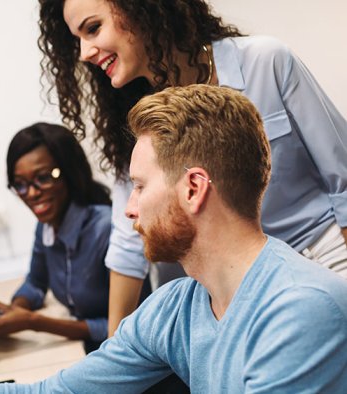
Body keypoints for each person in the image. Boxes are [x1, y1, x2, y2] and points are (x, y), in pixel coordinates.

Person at [0, 85, 347, 394]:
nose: (127, 207)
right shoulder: (178, 307)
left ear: (194, 189)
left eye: (141, 186)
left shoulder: (301, 310)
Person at [38, 0, 347, 338]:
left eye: (93, 28)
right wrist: (114, 353)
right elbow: (128, 245)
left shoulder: (265, 61)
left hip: (321, 259)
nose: (84, 52)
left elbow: (342, 181)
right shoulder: (135, 119)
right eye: (76, 39)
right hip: (240, 293)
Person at [0, 122, 137, 354]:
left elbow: (125, 327)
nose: (31, 193)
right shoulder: (47, 226)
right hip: (87, 351)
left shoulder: (107, 231)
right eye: (19, 184)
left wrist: (33, 322)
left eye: (43, 177)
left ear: (70, 173)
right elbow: (35, 283)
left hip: (122, 354)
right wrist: (14, 309)